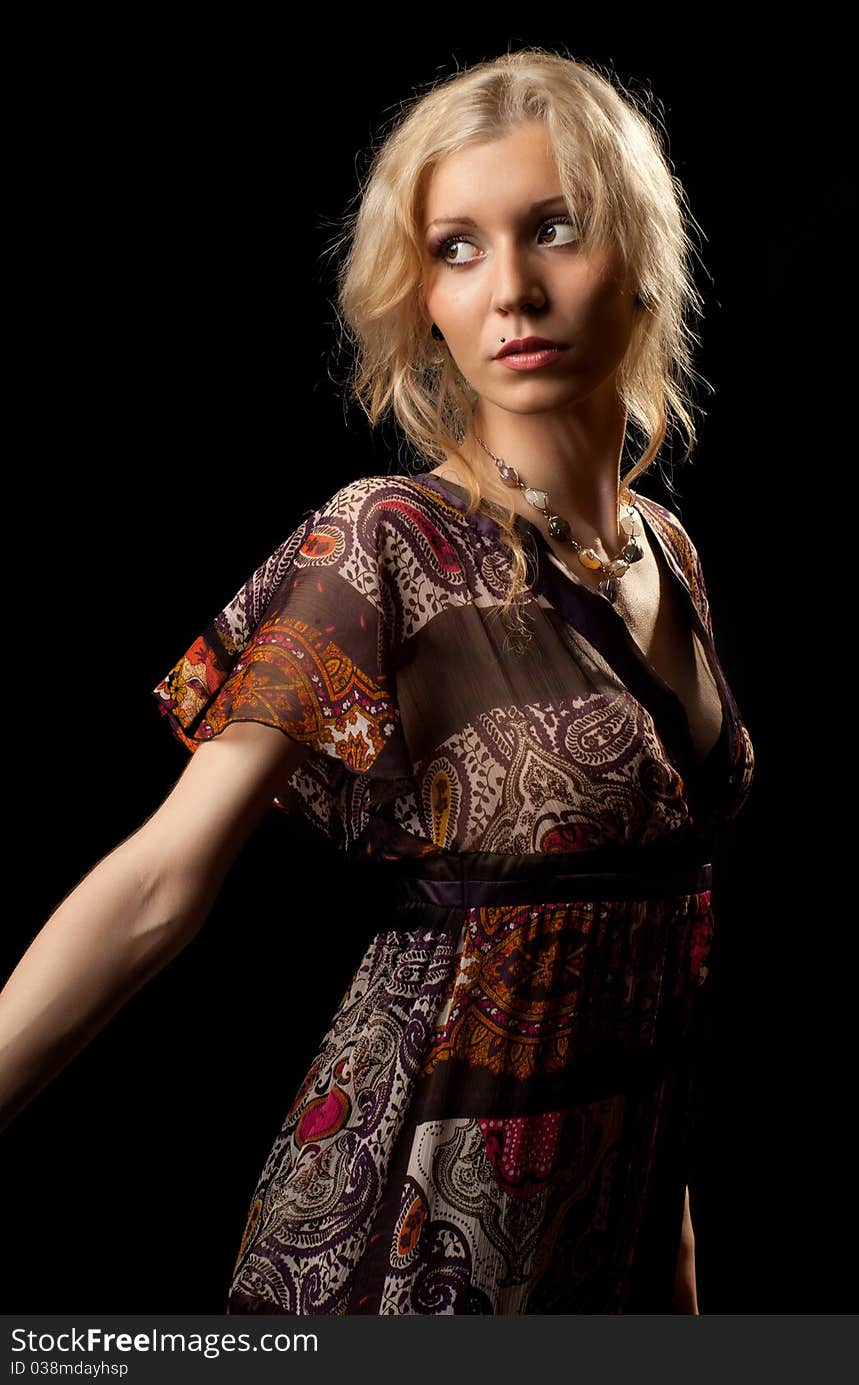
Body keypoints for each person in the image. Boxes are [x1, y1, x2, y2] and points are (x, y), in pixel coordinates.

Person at [0, 48, 755, 1314]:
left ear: (636, 254)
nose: (510, 287)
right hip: (408, 1230)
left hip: (604, 1245)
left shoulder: (668, 552)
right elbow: (156, 881)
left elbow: (652, 942)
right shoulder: (388, 538)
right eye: (457, 247)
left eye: (553, 229)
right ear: (423, 296)